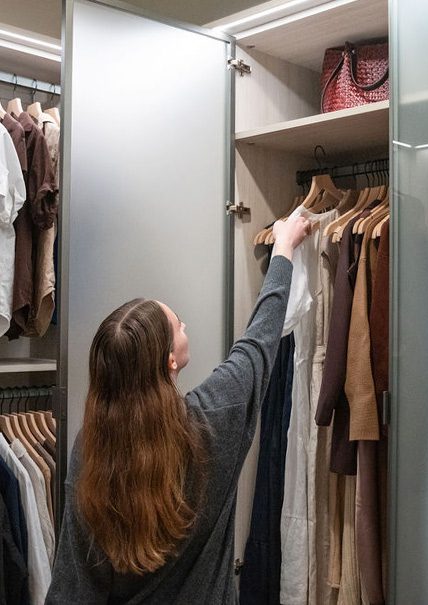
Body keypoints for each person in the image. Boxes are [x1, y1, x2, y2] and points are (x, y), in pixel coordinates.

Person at [45, 216, 310, 604]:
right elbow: (259, 343)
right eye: (179, 325)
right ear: (169, 361)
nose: (185, 324)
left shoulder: (91, 450)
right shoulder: (213, 420)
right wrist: (284, 249)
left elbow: (72, 584)